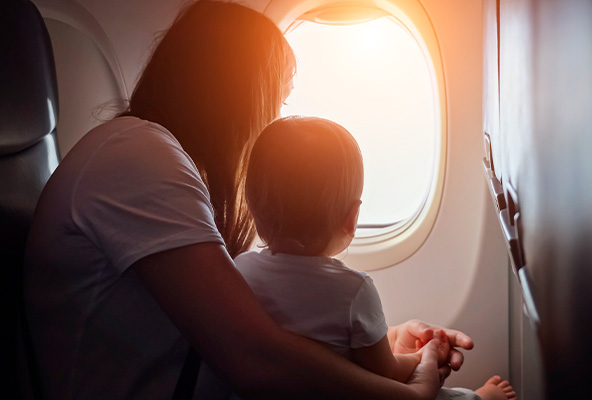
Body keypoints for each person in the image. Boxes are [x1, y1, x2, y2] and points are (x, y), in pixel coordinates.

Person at [24, 1, 471, 399]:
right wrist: (411, 391)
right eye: (274, 100)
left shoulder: (166, 162)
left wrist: (388, 342)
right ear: (239, 96)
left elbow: (265, 336)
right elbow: (256, 358)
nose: (272, 121)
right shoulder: (137, 154)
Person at [236, 115, 517, 400]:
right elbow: (387, 374)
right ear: (352, 217)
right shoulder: (353, 290)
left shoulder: (239, 270)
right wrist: (423, 357)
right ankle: (481, 398)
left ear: (253, 208)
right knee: (446, 396)